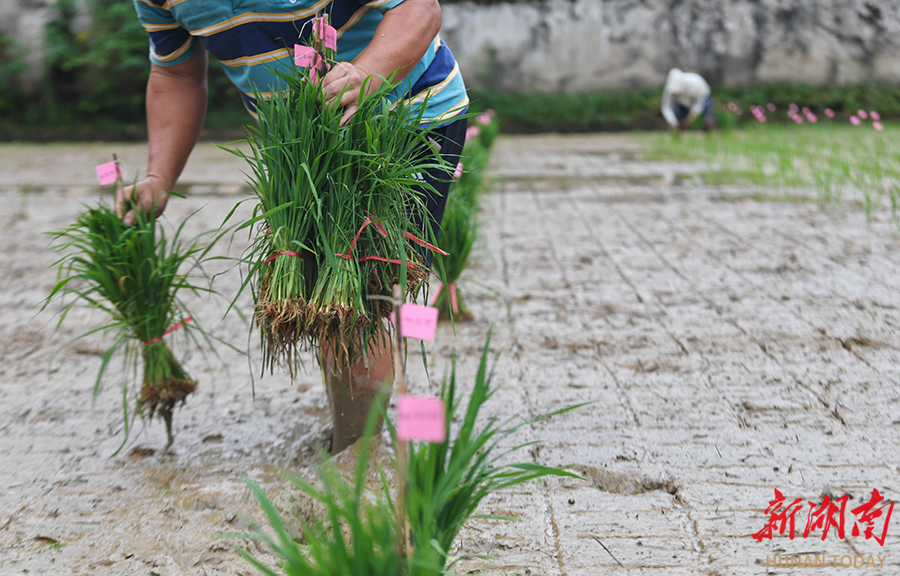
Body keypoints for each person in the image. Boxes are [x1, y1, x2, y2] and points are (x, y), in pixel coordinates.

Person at [122, 0, 469, 453]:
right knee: (328, 297)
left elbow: (418, 9)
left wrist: (367, 74)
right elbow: (176, 74)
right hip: (301, 150)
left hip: (405, 117)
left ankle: (364, 457)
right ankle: (362, 446)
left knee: (366, 294)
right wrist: (158, 177)